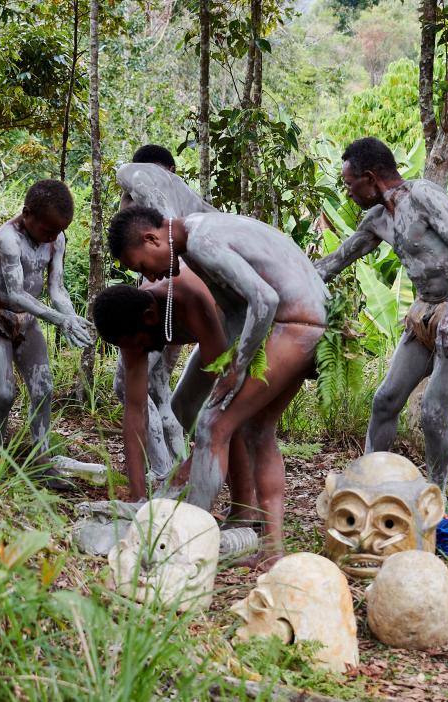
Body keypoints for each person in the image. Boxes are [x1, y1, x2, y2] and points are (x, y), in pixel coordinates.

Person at [107, 206, 328, 565]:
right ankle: (271, 548)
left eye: (144, 265)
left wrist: (238, 367)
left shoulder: (202, 241)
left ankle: (188, 538)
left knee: (213, 424)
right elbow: (242, 311)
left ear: (152, 238)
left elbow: (266, 299)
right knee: (257, 430)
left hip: (296, 323)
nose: (149, 275)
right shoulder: (196, 239)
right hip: (304, 323)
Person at [315, 137, 448, 490]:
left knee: (433, 410)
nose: (348, 193)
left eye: (350, 185)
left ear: (369, 177)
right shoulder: (378, 219)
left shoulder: (421, 195)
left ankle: (436, 495)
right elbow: (335, 262)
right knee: (386, 400)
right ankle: (365, 485)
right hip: (423, 313)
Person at [93, 281, 255, 517]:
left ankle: (246, 508)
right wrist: (138, 500)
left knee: (228, 421)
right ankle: (243, 505)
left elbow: (224, 389)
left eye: (140, 344)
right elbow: (135, 412)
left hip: (240, 329)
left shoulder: (189, 298)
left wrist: (194, 462)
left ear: (149, 317)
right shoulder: (131, 331)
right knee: (183, 406)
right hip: (213, 338)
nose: (139, 351)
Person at [0, 180, 93, 489]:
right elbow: (14, 294)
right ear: (27, 214)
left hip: (27, 320)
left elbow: (56, 288)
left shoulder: (56, 240)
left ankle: (40, 461)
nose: (52, 237)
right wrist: (58, 320)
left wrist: (70, 318)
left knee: (43, 388)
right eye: (47, 230)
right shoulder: (9, 239)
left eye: (58, 231)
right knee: (3, 393)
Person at [111, 144, 218, 479]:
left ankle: (166, 467)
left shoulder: (162, 197)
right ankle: (170, 464)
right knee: (155, 385)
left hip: (176, 292)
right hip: (172, 293)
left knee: (137, 386)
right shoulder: (142, 196)